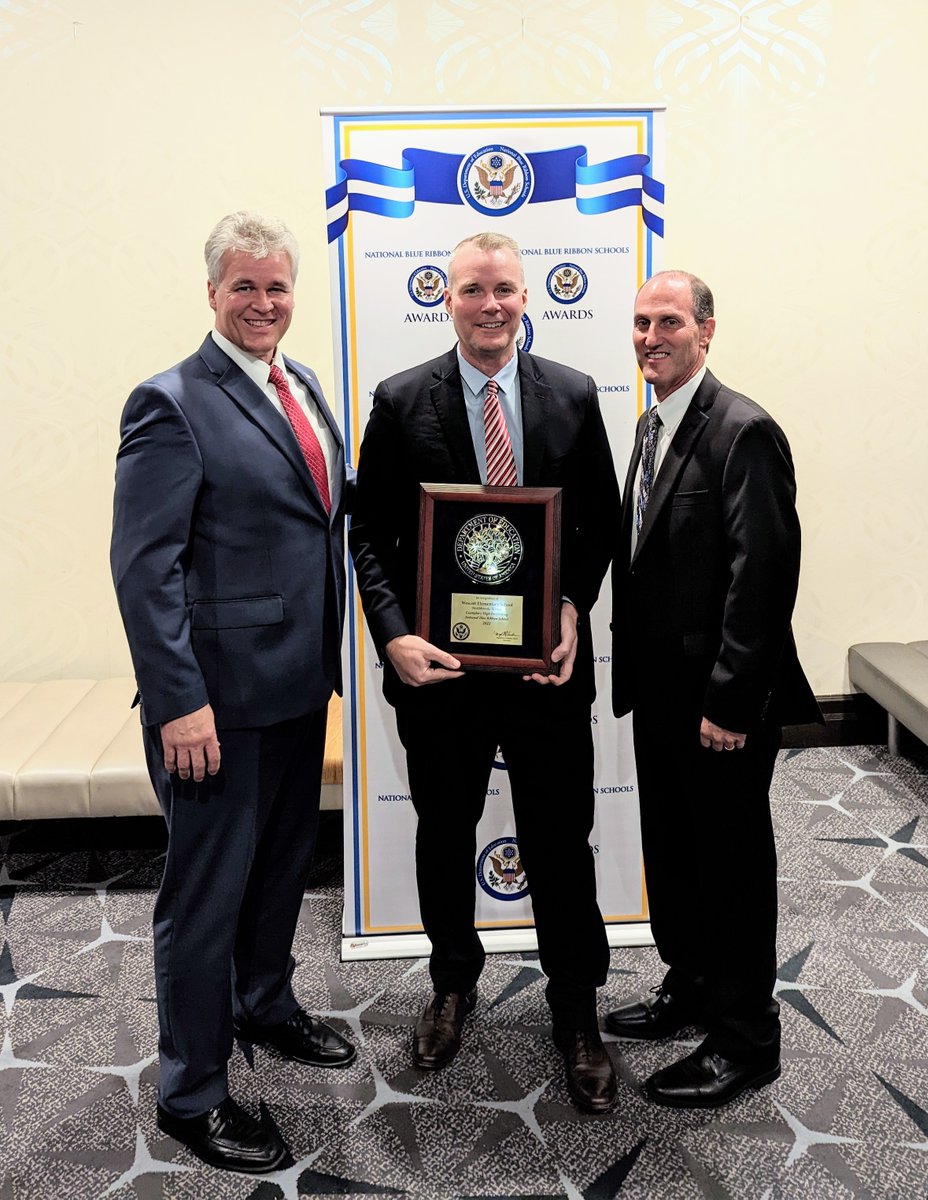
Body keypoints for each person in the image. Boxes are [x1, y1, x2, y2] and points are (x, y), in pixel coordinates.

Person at [349, 231, 621, 1114]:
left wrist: (574, 608)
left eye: (504, 288)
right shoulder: (398, 401)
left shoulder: (574, 398)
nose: (491, 304)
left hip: (542, 671)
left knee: (559, 840)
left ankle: (576, 1011)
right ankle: (451, 984)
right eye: (474, 289)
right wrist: (391, 635)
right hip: (442, 673)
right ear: (448, 298)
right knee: (443, 831)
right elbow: (369, 534)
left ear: (525, 295)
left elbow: (598, 528)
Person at [110, 211, 355, 1173]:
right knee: (203, 898)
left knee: (280, 873)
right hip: (213, 707)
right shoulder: (169, 402)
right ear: (211, 292)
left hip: (298, 691)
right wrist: (178, 701)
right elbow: (144, 569)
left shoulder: (304, 387)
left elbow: (320, 517)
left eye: (278, 287)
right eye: (244, 287)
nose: (264, 304)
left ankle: (265, 1002)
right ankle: (192, 1090)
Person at [606, 271, 822, 1108]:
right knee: (676, 852)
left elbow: (761, 578)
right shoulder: (652, 426)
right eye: (639, 322)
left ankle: (745, 1039)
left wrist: (731, 704)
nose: (650, 335)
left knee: (730, 866)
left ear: (706, 331)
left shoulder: (743, 429)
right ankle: (689, 987)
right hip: (660, 696)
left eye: (668, 321)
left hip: (718, 706)